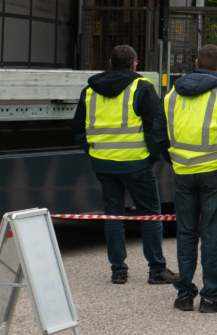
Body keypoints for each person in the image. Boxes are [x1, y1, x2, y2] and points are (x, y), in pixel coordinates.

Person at [70, 44, 175, 286]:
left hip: (104, 165)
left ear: (109, 62)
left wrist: (94, 152)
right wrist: (152, 157)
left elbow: (77, 130)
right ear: (134, 64)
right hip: (137, 164)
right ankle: (157, 269)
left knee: (113, 215)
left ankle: (118, 270)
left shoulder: (89, 91)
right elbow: (156, 127)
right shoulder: (141, 88)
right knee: (150, 215)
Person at [166, 43, 217, 313]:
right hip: (214, 172)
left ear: (196, 64)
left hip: (182, 173)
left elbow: (156, 135)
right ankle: (211, 297)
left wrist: (176, 160)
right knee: (212, 236)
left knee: (186, 234)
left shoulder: (171, 96)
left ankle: (184, 295)